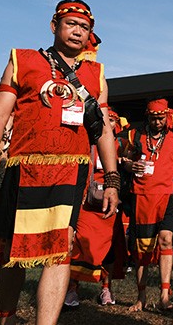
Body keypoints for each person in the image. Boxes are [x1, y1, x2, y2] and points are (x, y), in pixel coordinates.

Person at [0, 0, 119, 325]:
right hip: (23, 167)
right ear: (54, 26)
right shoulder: (21, 60)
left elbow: (103, 127)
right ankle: (3, 317)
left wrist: (111, 179)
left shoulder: (96, 73)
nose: (78, 31)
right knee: (12, 250)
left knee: (61, 247)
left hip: (72, 168)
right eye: (71, 24)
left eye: (84, 27)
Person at [122, 98, 173, 312]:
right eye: (154, 118)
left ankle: (165, 296)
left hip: (166, 195)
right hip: (142, 195)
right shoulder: (135, 136)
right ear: (148, 117)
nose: (158, 122)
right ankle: (141, 297)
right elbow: (125, 160)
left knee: (166, 241)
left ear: (166, 116)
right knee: (142, 251)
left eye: (161, 118)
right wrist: (131, 165)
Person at [66, 107, 128, 307]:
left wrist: (124, 162)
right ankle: (72, 290)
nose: (107, 123)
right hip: (86, 201)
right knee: (78, 245)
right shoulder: (85, 140)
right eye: (104, 119)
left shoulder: (122, 144)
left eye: (111, 120)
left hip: (109, 201)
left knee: (109, 248)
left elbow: (135, 159)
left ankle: (106, 289)